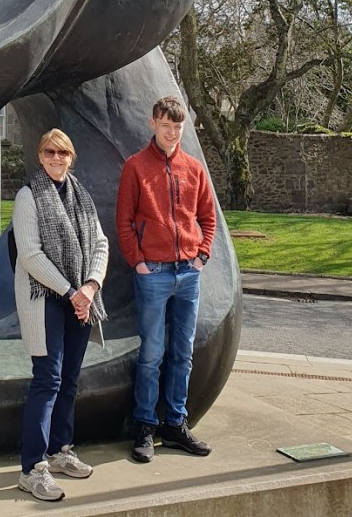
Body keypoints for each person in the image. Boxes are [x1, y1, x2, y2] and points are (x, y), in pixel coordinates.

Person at [115, 96, 216, 463]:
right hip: (153, 274)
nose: (172, 133)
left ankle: (175, 424)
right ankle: (145, 425)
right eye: (166, 125)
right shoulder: (136, 167)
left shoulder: (193, 168)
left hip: (188, 272)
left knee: (183, 353)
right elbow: (124, 221)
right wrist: (138, 262)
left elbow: (208, 216)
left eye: (178, 127)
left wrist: (202, 255)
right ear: (153, 123)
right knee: (152, 354)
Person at [13, 128, 109, 502]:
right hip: (46, 298)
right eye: (50, 152)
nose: (56, 158)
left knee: (69, 379)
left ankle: (60, 449)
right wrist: (70, 291)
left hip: (79, 299)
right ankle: (33, 468)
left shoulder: (81, 197)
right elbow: (31, 254)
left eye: (63, 153)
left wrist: (89, 288)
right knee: (47, 379)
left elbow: (100, 243)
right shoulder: (28, 196)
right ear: (40, 156)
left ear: (71, 157)